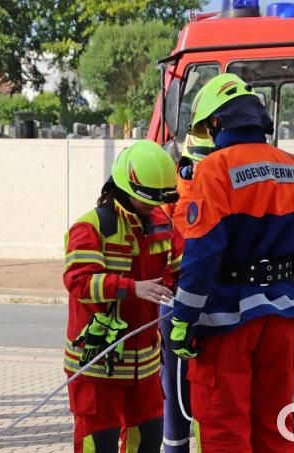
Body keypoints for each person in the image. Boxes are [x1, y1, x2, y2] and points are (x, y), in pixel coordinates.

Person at [167, 73, 294, 452]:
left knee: (225, 428)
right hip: (281, 319)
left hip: (226, 320)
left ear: (218, 122)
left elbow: (203, 254)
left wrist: (183, 319)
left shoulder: (215, 169)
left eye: (208, 127)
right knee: (275, 428)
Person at [63, 140, 184, 453]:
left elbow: (179, 271)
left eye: (159, 199)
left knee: (147, 441)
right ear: (122, 186)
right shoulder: (91, 227)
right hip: (98, 364)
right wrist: (132, 288)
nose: (153, 207)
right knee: (97, 445)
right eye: (147, 199)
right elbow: (79, 282)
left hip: (144, 368)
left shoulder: (162, 224)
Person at [158, 132, 215, 453]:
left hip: (190, 305)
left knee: (185, 398)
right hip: (179, 305)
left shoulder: (183, 196)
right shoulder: (177, 199)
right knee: (180, 399)